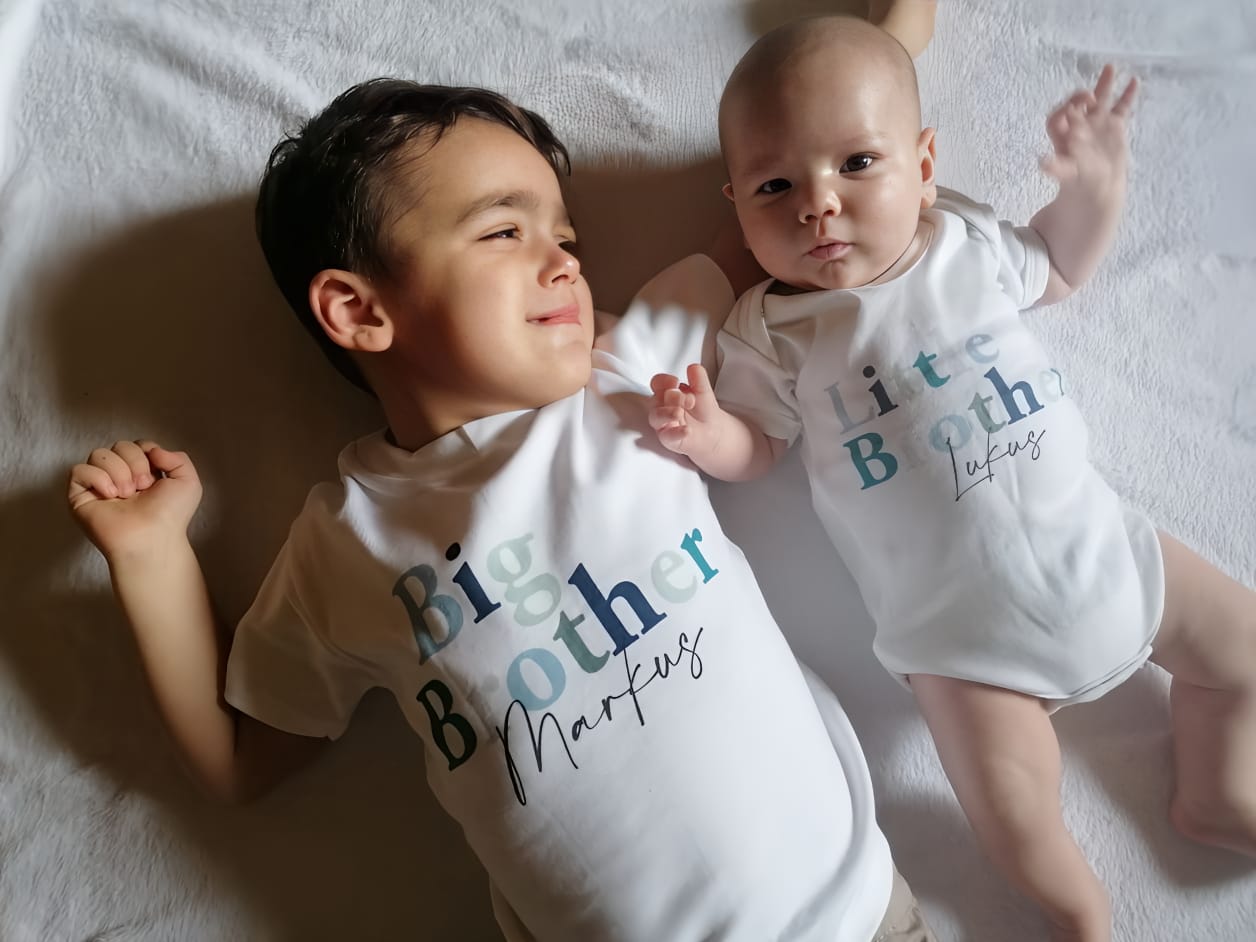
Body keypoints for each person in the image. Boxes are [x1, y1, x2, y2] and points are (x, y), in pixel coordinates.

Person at [65, 10, 943, 935]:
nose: (562, 262)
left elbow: (770, 238)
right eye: (502, 234)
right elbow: (242, 760)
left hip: (853, 913)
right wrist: (151, 557)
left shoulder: (631, 375)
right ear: (358, 310)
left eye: (565, 238)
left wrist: (883, 58)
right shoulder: (347, 545)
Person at [649, 14, 1256, 942]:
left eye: (857, 165)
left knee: (1245, 651)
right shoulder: (769, 331)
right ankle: (1082, 913)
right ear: (736, 204)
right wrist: (708, 434)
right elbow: (759, 448)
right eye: (776, 186)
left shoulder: (961, 245)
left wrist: (1098, 184)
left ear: (925, 165)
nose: (818, 205)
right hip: (965, 648)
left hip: (1109, 553)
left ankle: (1219, 790)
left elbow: (1057, 266)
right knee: (1015, 817)